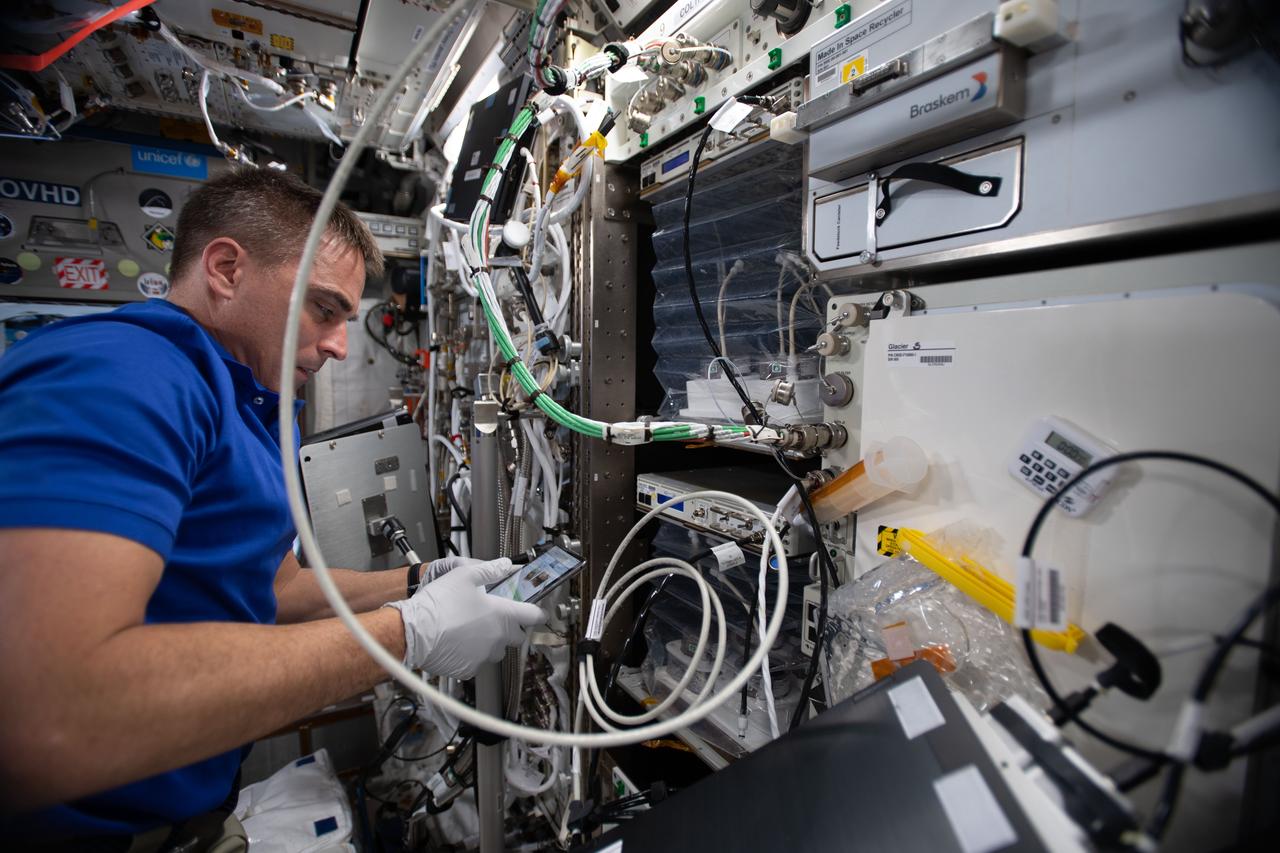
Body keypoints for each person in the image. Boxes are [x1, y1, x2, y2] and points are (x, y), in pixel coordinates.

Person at [0, 168, 544, 847]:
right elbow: (52, 709)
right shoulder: (122, 374)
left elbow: (272, 586)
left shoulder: (261, 404)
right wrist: (409, 633)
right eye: (323, 309)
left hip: (187, 817)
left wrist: (415, 582)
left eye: (347, 318)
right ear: (226, 269)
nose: (342, 345)